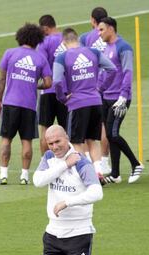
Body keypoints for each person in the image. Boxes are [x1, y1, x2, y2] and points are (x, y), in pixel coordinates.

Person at [33, 125, 109, 255]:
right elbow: (38, 181)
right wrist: (64, 165)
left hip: (78, 234)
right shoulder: (50, 158)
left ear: (66, 137)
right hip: (53, 235)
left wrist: (68, 202)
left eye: (57, 141)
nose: (54, 147)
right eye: (50, 143)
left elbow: (96, 193)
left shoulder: (82, 163)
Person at [53, 28, 116, 181]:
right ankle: (98, 171)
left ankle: (85, 175)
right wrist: (100, 87)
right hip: (95, 101)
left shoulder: (62, 57)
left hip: (77, 103)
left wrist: (62, 98)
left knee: (76, 141)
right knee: (92, 140)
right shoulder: (93, 52)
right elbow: (112, 69)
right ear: (77, 39)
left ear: (63, 42)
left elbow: (56, 81)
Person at [0, 23, 52, 185]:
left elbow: (2, 79)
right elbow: (48, 83)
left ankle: (3, 175)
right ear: (37, 40)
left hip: (10, 103)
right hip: (29, 105)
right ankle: (24, 176)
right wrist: (35, 84)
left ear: (20, 37)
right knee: (26, 141)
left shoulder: (10, 53)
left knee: (6, 139)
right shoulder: (40, 58)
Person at [98, 17, 144, 184]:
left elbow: (128, 72)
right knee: (109, 136)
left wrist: (124, 95)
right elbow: (105, 73)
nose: (99, 32)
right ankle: (116, 173)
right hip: (106, 97)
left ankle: (135, 163)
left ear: (111, 28)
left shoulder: (123, 47)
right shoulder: (106, 48)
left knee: (113, 133)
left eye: (101, 29)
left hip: (119, 99)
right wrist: (98, 89)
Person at [80, 7, 111, 174]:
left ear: (92, 20)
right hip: (110, 84)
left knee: (88, 128)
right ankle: (104, 161)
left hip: (91, 85)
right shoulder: (112, 35)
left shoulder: (86, 37)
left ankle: (88, 161)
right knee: (106, 125)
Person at [37, 14, 68, 154]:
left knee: (45, 130)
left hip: (48, 91)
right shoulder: (67, 39)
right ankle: (70, 164)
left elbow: (40, 64)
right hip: (67, 91)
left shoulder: (43, 42)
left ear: (45, 28)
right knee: (67, 129)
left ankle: (46, 165)